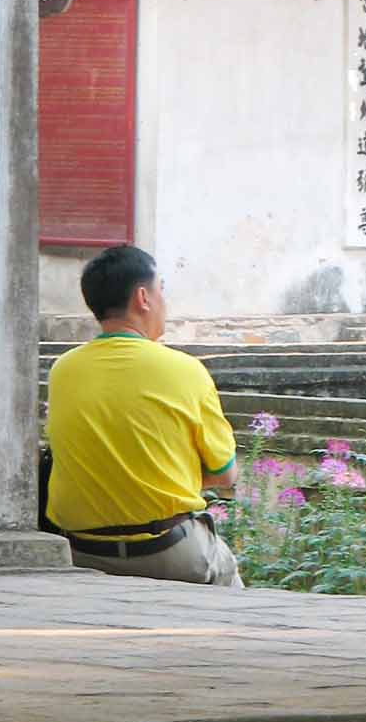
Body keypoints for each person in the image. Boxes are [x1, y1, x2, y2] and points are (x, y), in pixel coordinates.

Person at [44, 242, 243, 587]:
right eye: (161, 289)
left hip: (81, 551)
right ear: (143, 298)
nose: (165, 302)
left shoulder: (63, 371)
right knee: (232, 590)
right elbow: (225, 475)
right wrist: (163, 475)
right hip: (170, 551)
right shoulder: (186, 371)